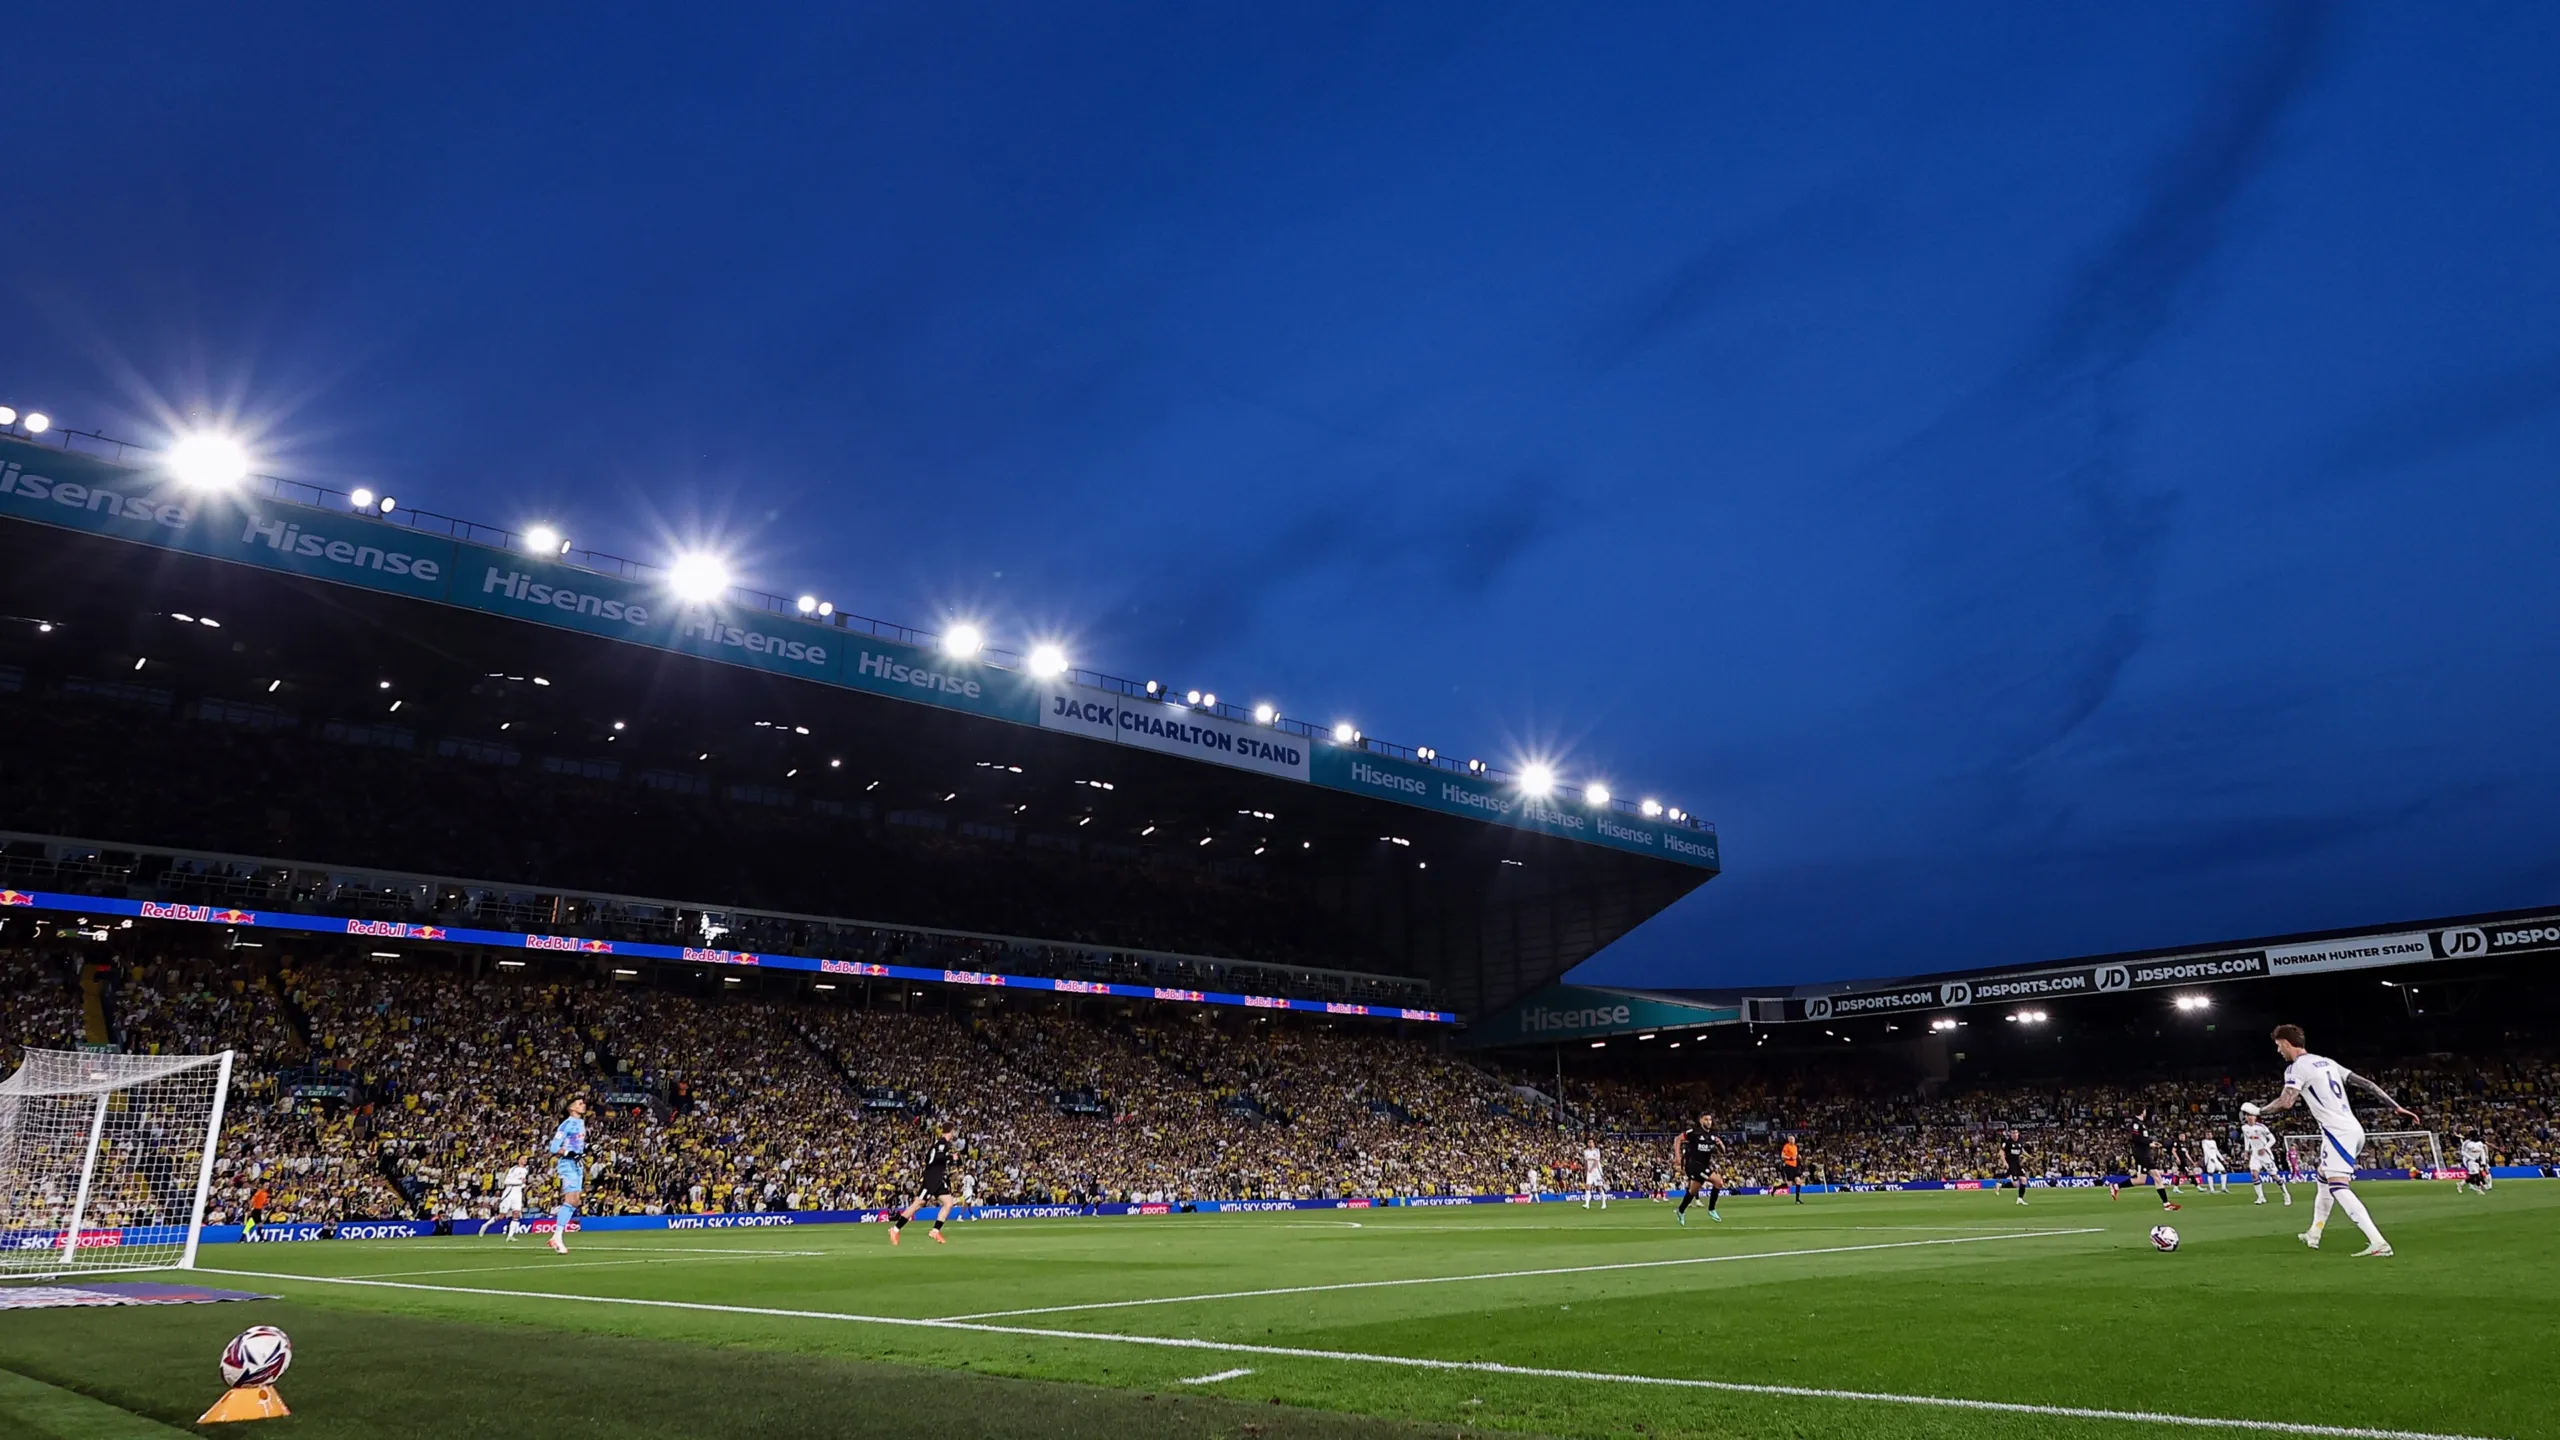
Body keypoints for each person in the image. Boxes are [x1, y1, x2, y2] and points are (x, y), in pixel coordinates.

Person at [2248, 1023, 2417, 1257]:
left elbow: (2286, 1102)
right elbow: (2367, 1084)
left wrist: (2259, 1111)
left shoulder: (2297, 1068)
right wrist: (2395, 1107)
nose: (2279, 1051)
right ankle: (2314, 1232)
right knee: (2323, 1177)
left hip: (2338, 1132)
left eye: (2278, 1046)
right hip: (2352, 1129)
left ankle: (2378, 1242)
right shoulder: (2327, 1062)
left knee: (2338, 1185)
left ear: (2286, 1043)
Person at [890, 1121, 962, 1246]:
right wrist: (951, 1158)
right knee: (917, 1204)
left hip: (938, 1179)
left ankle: (935, 1231)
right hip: (931, 1178)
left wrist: (953, 1160)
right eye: (954, 1130)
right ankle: (895, 1229)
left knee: (949, 1203)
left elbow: (939, 1159)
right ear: (951, 1131)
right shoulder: (941, 1143)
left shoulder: (945, 1144)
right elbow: (938, 1157)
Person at [547, 1096, 589, 1255]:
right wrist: (571, 1153)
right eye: (579, 1103)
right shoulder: (566, 1124)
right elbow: (554, 1147)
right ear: (571, 1108)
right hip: (567, 1164)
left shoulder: (581, 1123)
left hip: (577, 1164)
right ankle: (557, 1237)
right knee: (570, 1199)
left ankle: (555, 1236)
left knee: (576, 1201)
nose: (583, 1105)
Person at [2117, 1108, 2179, 1211]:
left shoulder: (2141, 1124)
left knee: (2141, 1180)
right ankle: (2166, 1204)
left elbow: (2142, 1138)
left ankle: (2116, 1186)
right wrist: (2149, 1143)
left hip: (2144, 1153)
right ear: (2143, 1111)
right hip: (2142, 1155)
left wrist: (2151, 1143)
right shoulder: (2136, 1123)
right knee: (2157, 1177)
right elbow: (2135, 1138)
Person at [1673, 1111, 1724, 1224]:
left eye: (1710, 1120)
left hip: (1704, 1165)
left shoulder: (1713, 1134)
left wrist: (1720, 1144)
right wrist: (1678, 1157)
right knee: (1718, 1182)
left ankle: (1680, 1210)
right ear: (1701, 1120)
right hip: (1693, 1164)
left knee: (1692, 1191)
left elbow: (1723, 1151)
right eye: (1706, 1119)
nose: (1708, 1122)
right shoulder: (1694, 1132)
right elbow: (1678, 1139)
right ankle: (1711, 1209)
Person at [2242, 1113, 2290, 1206]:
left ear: (2255, 1117)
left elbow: (2273, 1139)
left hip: (2265, 1155)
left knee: (2274, 1176)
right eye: (2248, 1116)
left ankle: (2286, 1194)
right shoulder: (2244, 1127)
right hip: (2255, 1154)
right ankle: (2261, 1197)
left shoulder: (2262, 1127)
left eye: (2252, 1116)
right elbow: (2247, 1139)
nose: (2250, 1118)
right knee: (2254, 1174)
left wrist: (2265, 1148)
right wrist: (2246, 1152)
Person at [498, 1160, 529, 1240]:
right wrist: (519, 1183)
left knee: (516, 1214)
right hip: (509, 1194)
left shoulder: (525, 1170)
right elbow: (507, 1182)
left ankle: (510, 1236)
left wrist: (523, 1185)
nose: (525, 1160)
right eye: (523, 1158)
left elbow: (522, 1184)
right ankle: (486, 1225)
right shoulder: (513, 1170)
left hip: (517, 1195)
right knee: (502, 1216)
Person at [2002, 1129, 2029, 1206]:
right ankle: (2002, 1184)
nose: (2015, 1134)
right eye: (2013, 1133)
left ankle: (2020, 1199)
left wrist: (2030, 1156)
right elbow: (2001, 1152)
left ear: (2018, 1133)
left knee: (2024, 1180)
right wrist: (2004, 1162)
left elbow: (2022, 1151)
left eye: (2016, 1133)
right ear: (2010, 1134)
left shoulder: (2020, 1141)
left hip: (2017, 1164)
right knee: (2015, 1184)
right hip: (2011, 1164)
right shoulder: (2008, 1142)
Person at [1581, 1139, 1606, 1210]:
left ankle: (1604, 1203)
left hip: (1596, 1171)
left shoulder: (1597, 1151)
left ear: (1594, 1143)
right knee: (1588, 1186)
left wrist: (1591, 1169)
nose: (1590, 1143)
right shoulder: (1586, 1152)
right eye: (1589, 1142)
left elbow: (1596, 1162)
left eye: (1591, 1142)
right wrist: (1586, 1171)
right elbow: (1585, 1162)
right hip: (1589, 1172)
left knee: (1600, 1187)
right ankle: (1587, 1204)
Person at [1779, 1136, 1804, 1204]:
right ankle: (1776, 1188)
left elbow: (1795, 1156)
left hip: (1795, 1167)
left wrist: (1799, 1157)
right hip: (1789, 1167)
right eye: (1791, 1139)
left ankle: (1797, 1199)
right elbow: (1782, 1156)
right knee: (1789, 1184)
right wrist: (1790, 1158)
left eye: (1793, 1139)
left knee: (1798, 1181)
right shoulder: (1786, 1146)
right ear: (1789, 1140)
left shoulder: (1795, 1147)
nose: (1792, 1140)